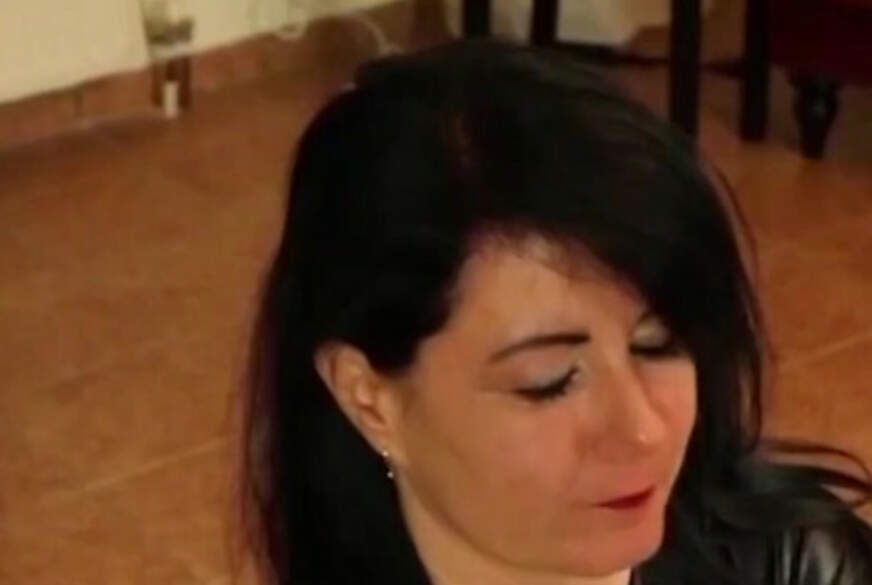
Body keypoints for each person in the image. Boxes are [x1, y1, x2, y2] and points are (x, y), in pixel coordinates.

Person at [242, 40, 872, 585]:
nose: (643, 428)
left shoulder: (799, 567)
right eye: (550, 382)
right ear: (370, 400)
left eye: (659, 344)